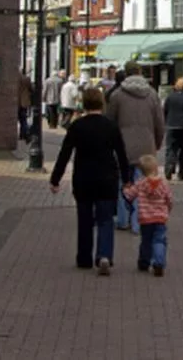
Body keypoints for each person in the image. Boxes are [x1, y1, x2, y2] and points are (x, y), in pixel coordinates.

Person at [49, 86, 131, 275]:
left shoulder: (77, 126)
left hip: (83, 178)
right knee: (105, 219)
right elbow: (121, 154)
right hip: (107, 178)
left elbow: (65, 154)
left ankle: (84, 258)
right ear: (102, 103)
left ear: (84, 104)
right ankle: (104, 255)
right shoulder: (110, 126)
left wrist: (55, 179)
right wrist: (126, 179)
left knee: (84, 219)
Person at [106, 61, 166, 234]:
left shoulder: (117, 95)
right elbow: (160, 123)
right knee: (143, 185)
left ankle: (123, 219)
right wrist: (157, 141)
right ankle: (137, 222)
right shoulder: (152, 94)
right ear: (139, 72)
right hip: (146, 145)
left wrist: (110, 144)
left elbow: (109, 122)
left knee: (123, 184)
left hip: (122, 146)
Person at [122, 154, 173, 276]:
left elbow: (130, 195)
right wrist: (167, 210)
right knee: (159, 240)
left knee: (146, 241)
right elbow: (169, 199)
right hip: (160, 218)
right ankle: (159, 262)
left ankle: (144, 262)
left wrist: (125, 189)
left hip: (145, 219)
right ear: (155, 168)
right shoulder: (164, 184)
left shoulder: (140, 183)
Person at [17, 70, 33, 142]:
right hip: (24, 102)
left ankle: (23, 134)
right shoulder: (27, 79)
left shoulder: (14, 78)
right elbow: (31, 89)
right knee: (23, 119)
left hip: (15, 102)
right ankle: (24, 134)